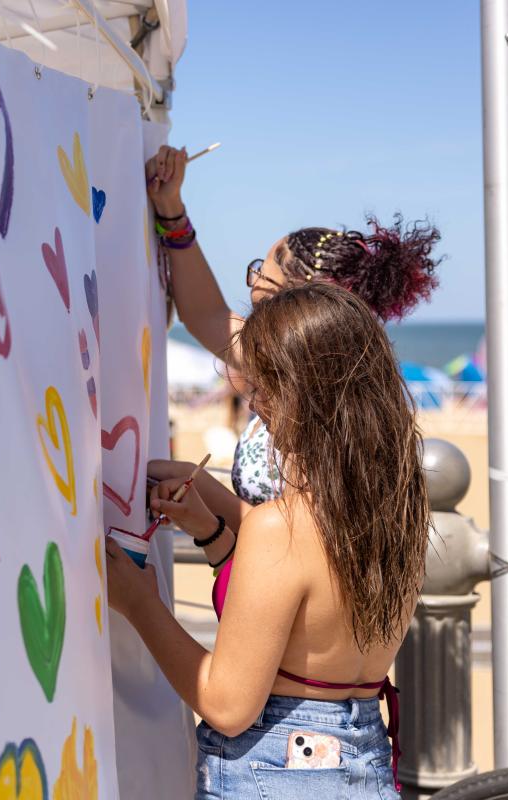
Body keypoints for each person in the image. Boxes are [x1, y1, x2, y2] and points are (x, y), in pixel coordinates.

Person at [106, 282, 428, 799]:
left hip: (275, 769)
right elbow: (307, 619)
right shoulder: (398, 511)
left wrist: (140, 603)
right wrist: (212, 531)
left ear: (298, 394)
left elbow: (228, 706)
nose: (255, 404)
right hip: (363, 752)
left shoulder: (281, 526)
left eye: (261, 388)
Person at [143, 144, 441, 616]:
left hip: (297, 634)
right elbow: (209, 315)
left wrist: (210, 520)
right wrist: (172, 213)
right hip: (277, 612)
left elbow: (308, 544)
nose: (252, 284)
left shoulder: (328, 407)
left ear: (296, 304)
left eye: (262, 275)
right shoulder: (327, 380)